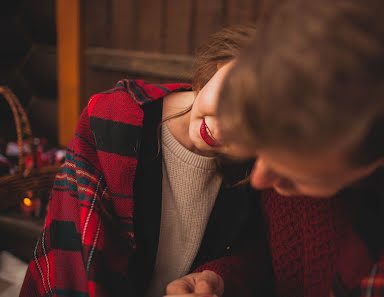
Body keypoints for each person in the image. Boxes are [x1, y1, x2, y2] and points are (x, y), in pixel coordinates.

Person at [19, 26, 273, 297]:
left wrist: (215, 277)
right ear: (221, 64)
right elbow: (70, 259)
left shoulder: (252, 173)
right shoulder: (113, 120)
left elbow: (254, 257)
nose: (220, 131)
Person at [216, 0, 384, 296]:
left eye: (296, 176)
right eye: (259, 153)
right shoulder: (295, 138)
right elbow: (278, 256)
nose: (259, 179)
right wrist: (225, 278)